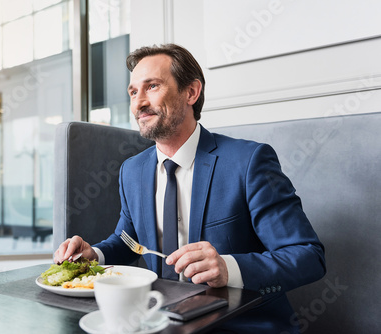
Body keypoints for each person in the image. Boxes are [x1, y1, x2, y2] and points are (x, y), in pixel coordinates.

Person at [54, 44, 326, 333]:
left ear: (191, 93)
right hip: (156, 321)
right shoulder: (131, 171)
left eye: (152, 86)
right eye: (133, 92)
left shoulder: (248, 162)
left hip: (240, 326)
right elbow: (129, 241)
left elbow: (307, 256)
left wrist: (227, 267)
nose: (138, 103)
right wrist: (94, 255)